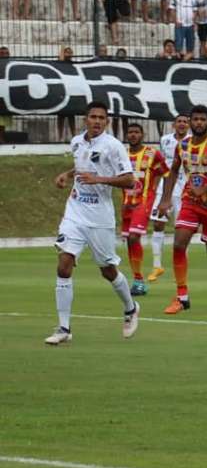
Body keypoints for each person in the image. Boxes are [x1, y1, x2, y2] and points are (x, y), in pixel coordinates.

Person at [47, 101, 140, 345]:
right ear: (85, 119)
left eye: (101, 117)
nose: (97, 121)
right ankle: (64, 328)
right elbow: (81, 166)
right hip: (75, 213)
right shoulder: (77, 142)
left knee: (107, 270)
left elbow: (130, 181)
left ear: (107, 121)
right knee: (64, 265)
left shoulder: (114, 146)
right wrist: (67, 175)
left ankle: (131, 308)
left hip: (100, 218)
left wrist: (99, 179)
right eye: (93, 117)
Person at [157, 105, 207, 315]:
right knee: (178, 244)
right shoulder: (182, 146)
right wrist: (165, 200)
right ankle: (182, 297)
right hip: (191, 202)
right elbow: (173, 170)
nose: (199, 123)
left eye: (203, 119)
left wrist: (206, 188)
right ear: (190, 122)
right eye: (195, 119)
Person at [120, 123, 170, 296]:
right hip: (126, 203)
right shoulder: (122, 155)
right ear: (127, 135)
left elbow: (166, 173)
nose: (133, 135)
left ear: (142, 134)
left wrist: (161, 196)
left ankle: (139, 280)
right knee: (129, 241)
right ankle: (137, 278)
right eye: (130, 132)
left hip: (143, 202)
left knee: (134, 237)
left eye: (136, 132)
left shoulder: (152, 154)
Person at [149, 114, 190, 282]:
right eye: (179, 121)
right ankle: (157, 265)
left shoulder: (192, 141)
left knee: (182, 229)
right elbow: (161, 163)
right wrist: (155, 183)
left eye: (185, 122)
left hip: (183, 187)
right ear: (174, 124)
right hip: (165, 186)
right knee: (157, 223)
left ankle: (181, 265)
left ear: (188, 125)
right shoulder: (165, 140)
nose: (182, 124)